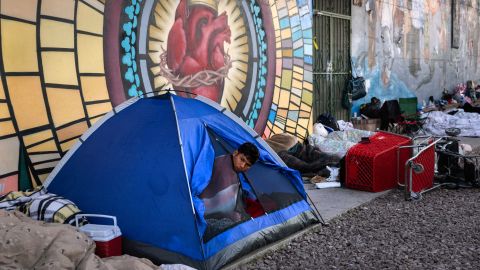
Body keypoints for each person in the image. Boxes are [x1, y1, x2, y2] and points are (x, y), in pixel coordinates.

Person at [200, 142, 259, 223]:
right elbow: (223, 206)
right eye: (242, 159)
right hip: (205, 213)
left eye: (247, 165)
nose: (242, 165)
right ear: (235, 153)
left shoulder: (227, 161)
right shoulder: (223, 169)